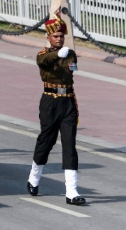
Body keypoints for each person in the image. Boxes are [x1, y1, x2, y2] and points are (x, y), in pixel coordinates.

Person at [27, 12, 85, 205]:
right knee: (47, 140)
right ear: (48, 37)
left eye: (61, 36)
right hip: (50, 101)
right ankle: (34, 177)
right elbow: (42, 61)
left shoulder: (70, 53)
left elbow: (72, 70)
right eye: (56, 36)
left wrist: (66, 57)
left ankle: (71, 191)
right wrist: (55, 55)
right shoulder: (43, 54)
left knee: (70, 145)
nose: (59, 39)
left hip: (68, 101)